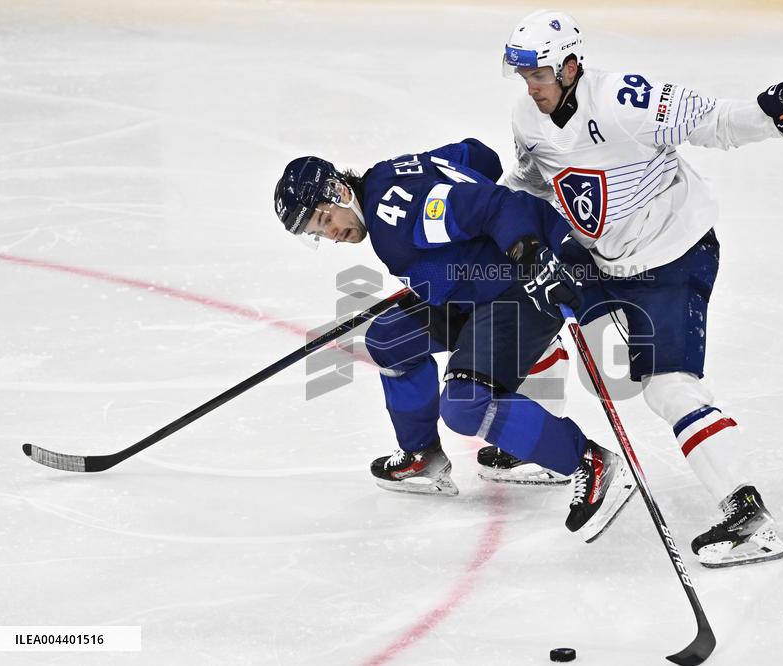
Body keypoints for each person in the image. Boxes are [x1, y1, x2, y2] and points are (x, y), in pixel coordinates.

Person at [487, 9, 783, 567]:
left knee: (668, 389)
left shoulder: (623, 100)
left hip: (671, 254)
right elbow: (530, 184)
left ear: (570, 66)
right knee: (546, 321)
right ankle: (540, 447)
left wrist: (777, 113)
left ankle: (749, 517)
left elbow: (717, 122)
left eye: (539, 74)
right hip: (599, 257)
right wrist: (497, 224)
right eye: (523, 76)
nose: (530, 87)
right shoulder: (526, 116)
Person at [272, 138, 636, 542]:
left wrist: (526, 250)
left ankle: (587, 461)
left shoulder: (392, 217)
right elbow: (479, 156)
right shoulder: (389, 172)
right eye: (317, 233)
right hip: (472, 290)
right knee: (388, 340)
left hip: (524, 286)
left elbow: (495, 205)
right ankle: (421, 454)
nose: (332, 235)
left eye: (324, 221)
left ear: (338, 191)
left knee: (465, 405)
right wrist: (445, 263)